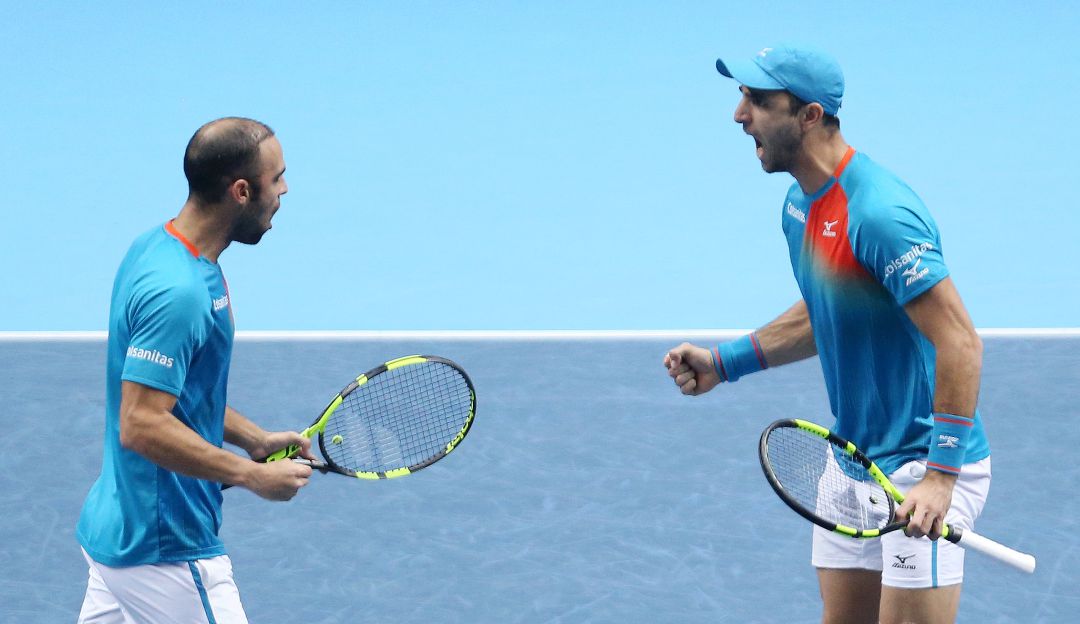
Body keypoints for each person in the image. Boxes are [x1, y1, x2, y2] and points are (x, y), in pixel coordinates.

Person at [664, 45, 990, 624]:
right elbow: (828, 308)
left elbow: (960, 340)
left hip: (920, 463)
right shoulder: (798, 205)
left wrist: (941, 479)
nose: (739, 115)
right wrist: (724, 362)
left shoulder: (880, 215)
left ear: (809, 115)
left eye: (758, 100)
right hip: (851, 461)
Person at [75, 117, 316, 624]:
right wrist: (250, 476)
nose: (285, 190)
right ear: (242, 191)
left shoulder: (155, 248)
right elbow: (140, 423)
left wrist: (253, 438)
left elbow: (174, 393)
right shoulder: (180, 293)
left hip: (117, 527)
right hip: (166, 550)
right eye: (277, 179)